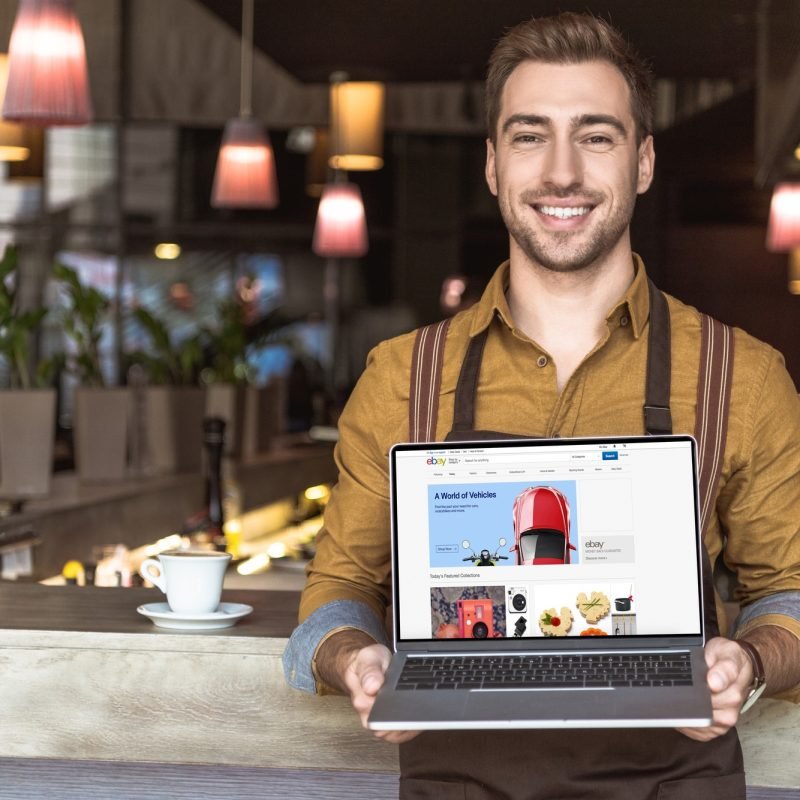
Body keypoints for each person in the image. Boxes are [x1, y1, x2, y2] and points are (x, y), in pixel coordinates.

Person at [284, 12, 800, 799]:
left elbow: (789, 592)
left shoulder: (744, 376)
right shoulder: (403, 376)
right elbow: (332, 599)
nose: (562, 173)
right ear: (493, 165)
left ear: (644, 161)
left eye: (595, 136)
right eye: (530, 136)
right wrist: (355, 657)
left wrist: (750, 661)